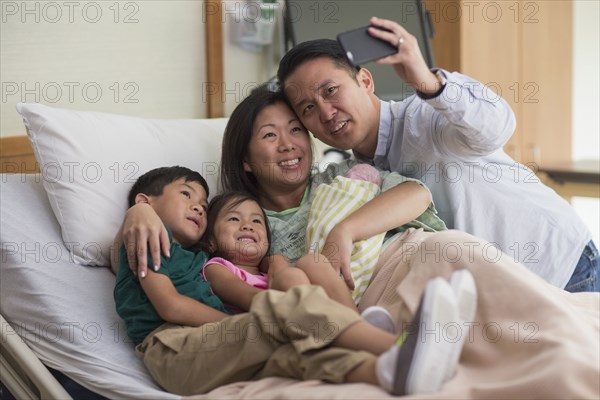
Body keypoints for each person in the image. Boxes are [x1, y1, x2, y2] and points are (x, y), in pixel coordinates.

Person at [276, 16, 598, 293]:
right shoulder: (356, 180)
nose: (326, 111)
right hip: (509, 293)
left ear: (365, 80)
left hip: (564, 268)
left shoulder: (423, 116)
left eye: (330, 91)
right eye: (308, 108)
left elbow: (497, 126)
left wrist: (429, 83)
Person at [113, 165, 475, 396]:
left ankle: (393, 372)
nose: (198, 206)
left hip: (206, 347)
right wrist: (139, 211)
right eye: (186, 194)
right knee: (282, 308)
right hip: (173, 348)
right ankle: (395, 345)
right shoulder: (146, 240)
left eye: (204, 204)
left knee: (301, 356)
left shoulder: (194, 257)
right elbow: (170, 305)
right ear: (146, 202)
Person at [201, 190, 358, 311]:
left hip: (304, 307)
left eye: (256, 221)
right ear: (211, 242)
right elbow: (248, 297)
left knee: (312, 261)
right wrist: (283, 277)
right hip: (270, 315)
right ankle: (326, 319)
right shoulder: (216, 268)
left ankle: (355, 318)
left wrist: (277, 262)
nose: (248, 225)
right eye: (234, 219)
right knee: (291, 276)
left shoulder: (270, 269)